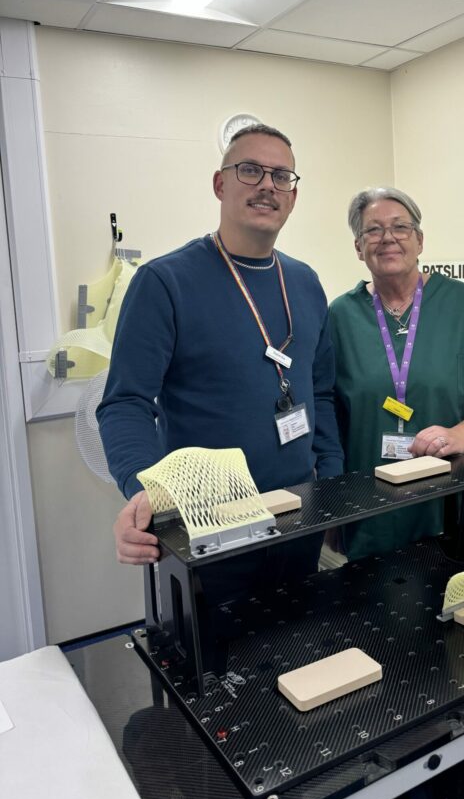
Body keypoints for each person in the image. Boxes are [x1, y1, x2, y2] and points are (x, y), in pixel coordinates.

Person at [329, 186, 464, 799]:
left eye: (398, 226)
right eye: (372, 230)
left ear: (419, 237)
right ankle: (388, 770)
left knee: (454, 648)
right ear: (358, 247)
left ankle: (453, 774)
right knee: (380, 648)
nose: (386, 238)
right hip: (372, 517)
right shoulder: (338, 319)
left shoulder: (461, 305)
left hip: (453, 509)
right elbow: (318, 415)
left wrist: (462, 437)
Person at [98, 123, 343, 589]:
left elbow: (322, 393)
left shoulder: (306, 283)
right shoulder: (165, 283)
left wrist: (329, 484)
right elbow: (124, 403)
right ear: (220, 183)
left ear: (292, 196)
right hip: (207, 528)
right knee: (212, 659)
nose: (267, 185)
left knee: (299, 650)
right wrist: (144, 490)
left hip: (298, 516)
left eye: (281, 177)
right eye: (250, 170)